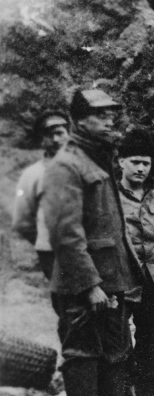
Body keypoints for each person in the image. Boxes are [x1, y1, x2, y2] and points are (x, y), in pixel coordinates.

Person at [41, 89, 154, 396]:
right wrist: (90, 285)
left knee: (115, 352)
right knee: (82, 353)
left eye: (113, 113)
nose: (110, 120)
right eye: (100, 114)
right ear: (79, 119)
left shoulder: (98, 159)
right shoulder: (66, 165)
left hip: (111, 281)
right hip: (82, 283)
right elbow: (66, 233)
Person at [117, 129, 154, 396]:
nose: (140, 168)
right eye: (135, 161)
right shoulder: (110, 197)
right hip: (121, 281)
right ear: (121, 162)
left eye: (146, 163)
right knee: (118, 343)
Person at [12, 110, 71, 279]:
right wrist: (45, 240)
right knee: (65, 300)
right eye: (49, 135)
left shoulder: (84, 167)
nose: (56, 140)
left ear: (69, 134)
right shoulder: (32, 174)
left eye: (60, 133)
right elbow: (22, 220)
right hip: (52, 253)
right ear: (41, 140)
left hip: (86, 248)